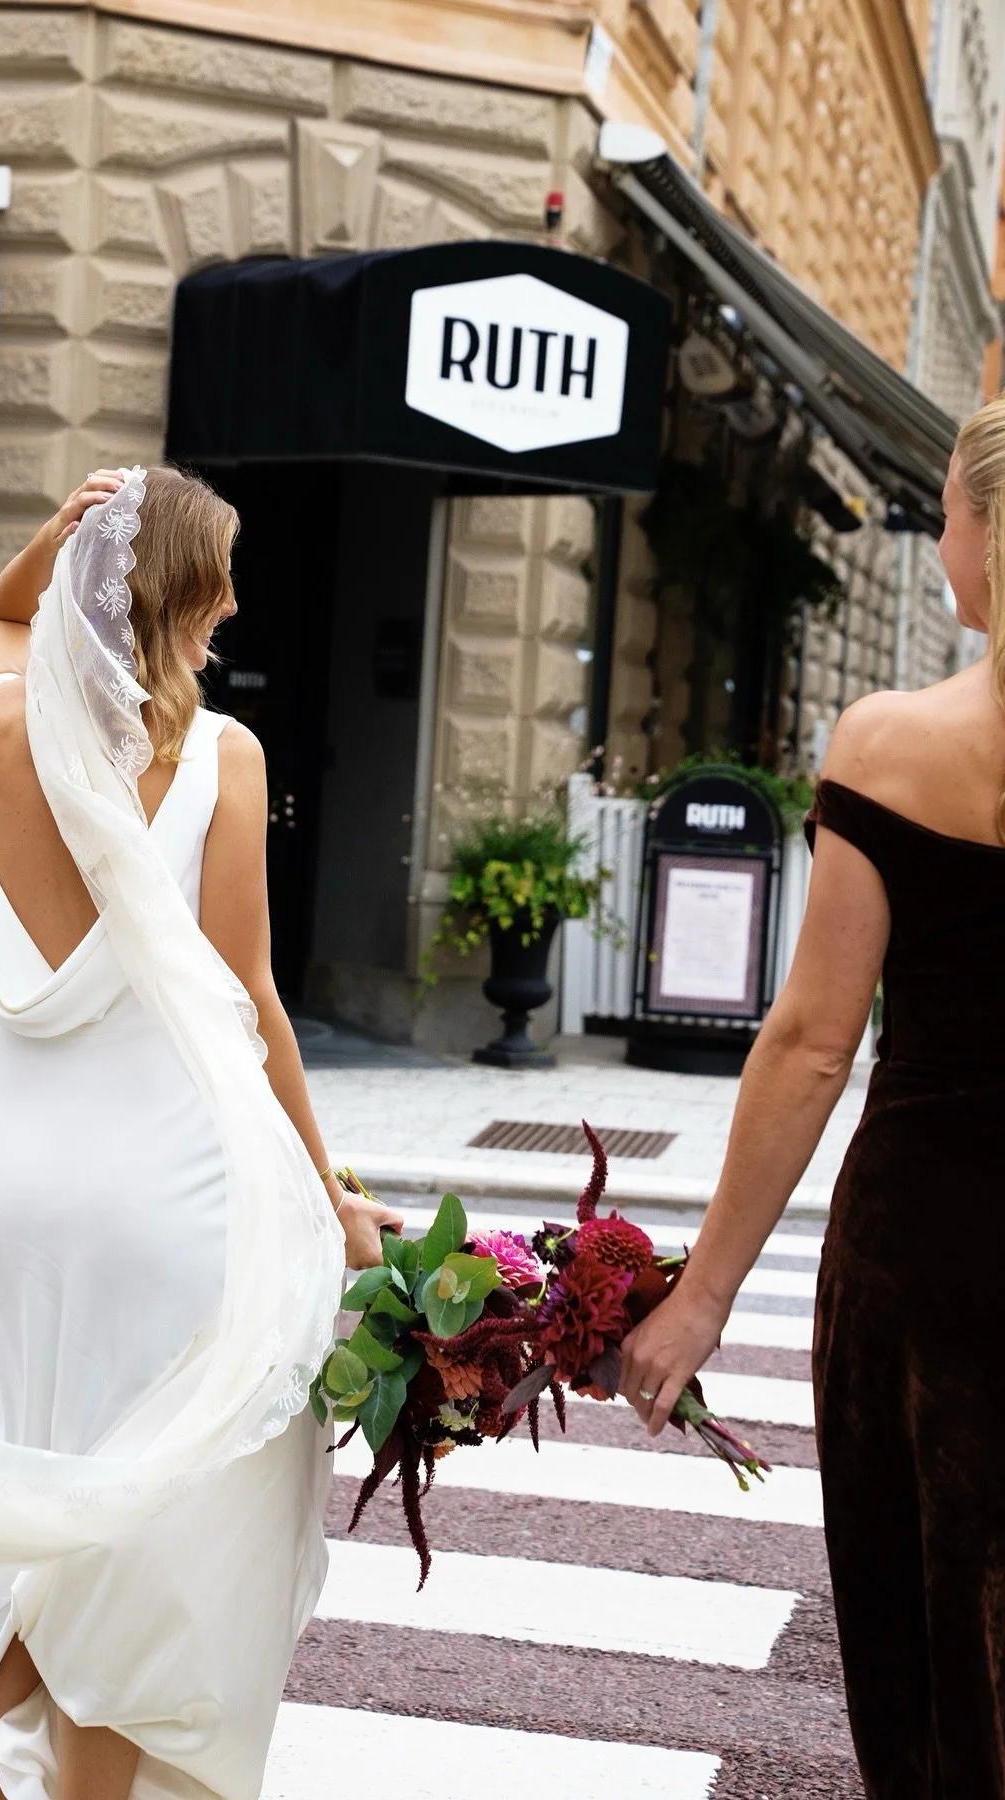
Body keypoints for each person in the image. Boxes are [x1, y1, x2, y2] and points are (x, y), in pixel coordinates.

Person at [0, 463, 401, 1800]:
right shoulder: (218, 757)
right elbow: (249, 997)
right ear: (174, 596)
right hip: (167, 1177)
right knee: (158, 1524)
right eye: (219, 582)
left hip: (16, 1178)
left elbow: (8, 619)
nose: (239, 604)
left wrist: (63, 533)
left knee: (57, 1479)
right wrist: (326, 1195)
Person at [619, 391, 1005, 1796]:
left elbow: (811, 1045)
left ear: (980, 532)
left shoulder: (896, 745)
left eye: (949, 515)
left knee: (927, 1634)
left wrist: (705, 1290)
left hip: (931, 1251)